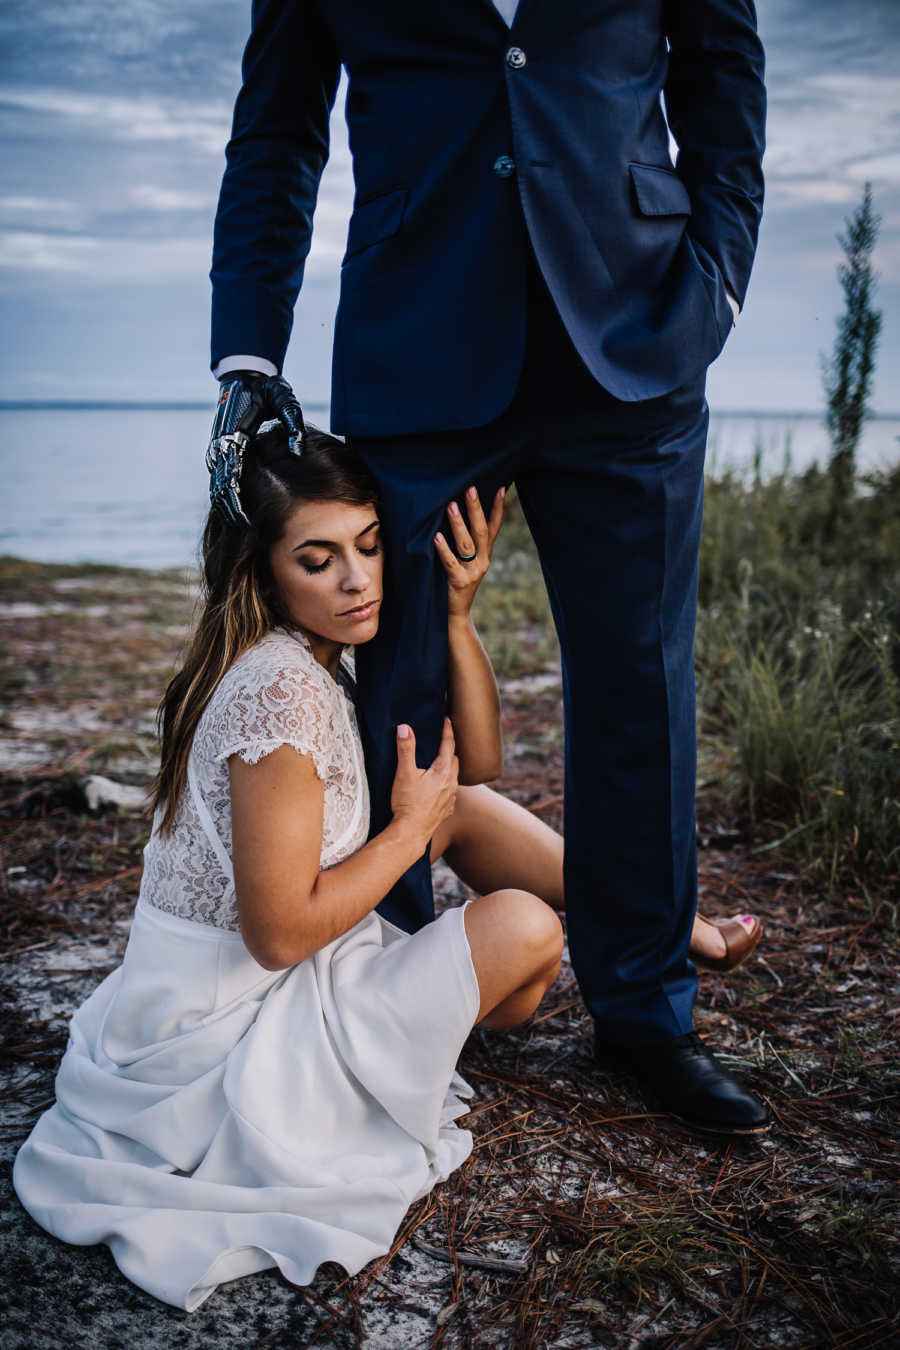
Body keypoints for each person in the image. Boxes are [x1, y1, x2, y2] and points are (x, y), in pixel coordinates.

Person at [207, 0, 770, 1133]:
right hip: (418, 344)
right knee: (396, 689)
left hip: (638, 342)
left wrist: (715, 281)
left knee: (640, 688)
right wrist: (248, 352)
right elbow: (277, 131)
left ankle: (649, 1020)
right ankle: (395, 1001)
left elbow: (723, 80)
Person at [13, 426, 567, 1311]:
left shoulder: (320, 655)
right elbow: (275, 937)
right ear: (262, 568)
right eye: (318, 558)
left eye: (369, 545)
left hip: (271, 977)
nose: (356, 579)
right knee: (528, 928)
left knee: (460, 820)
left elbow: (483, 762)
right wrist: (403, 834)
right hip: (229, 1021)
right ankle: (647, 922)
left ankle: (658, 918)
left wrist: (458, 614)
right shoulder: (279, 691)